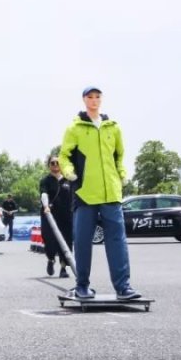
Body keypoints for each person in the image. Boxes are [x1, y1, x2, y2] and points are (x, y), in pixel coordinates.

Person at [58, 86, 141, 300]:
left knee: (117, 241)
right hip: (85, 192)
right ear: (84, 100)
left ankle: (123, 287)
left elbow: (119, 155)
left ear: (101, 99)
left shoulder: (113, 128)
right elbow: (64, 156)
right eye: (90, 97)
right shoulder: (75, 128)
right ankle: (82, 285)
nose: (94, 100)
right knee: (83, 241)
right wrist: (68, 172)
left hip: (112, 193)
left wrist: (122, 172)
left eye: (97, 97)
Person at [40, 156, 74, 278]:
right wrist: (46, 206)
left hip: (66, 215)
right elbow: (44, 194)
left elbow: (73, 196)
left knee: (66, 240)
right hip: (49, 215)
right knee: (49, 240)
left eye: (57, 162)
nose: (55, 164)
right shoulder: (45, 180)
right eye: (52, 163)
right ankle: (51, 259)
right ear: (49, 165)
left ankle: (63, 267)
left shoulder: (68, 180)